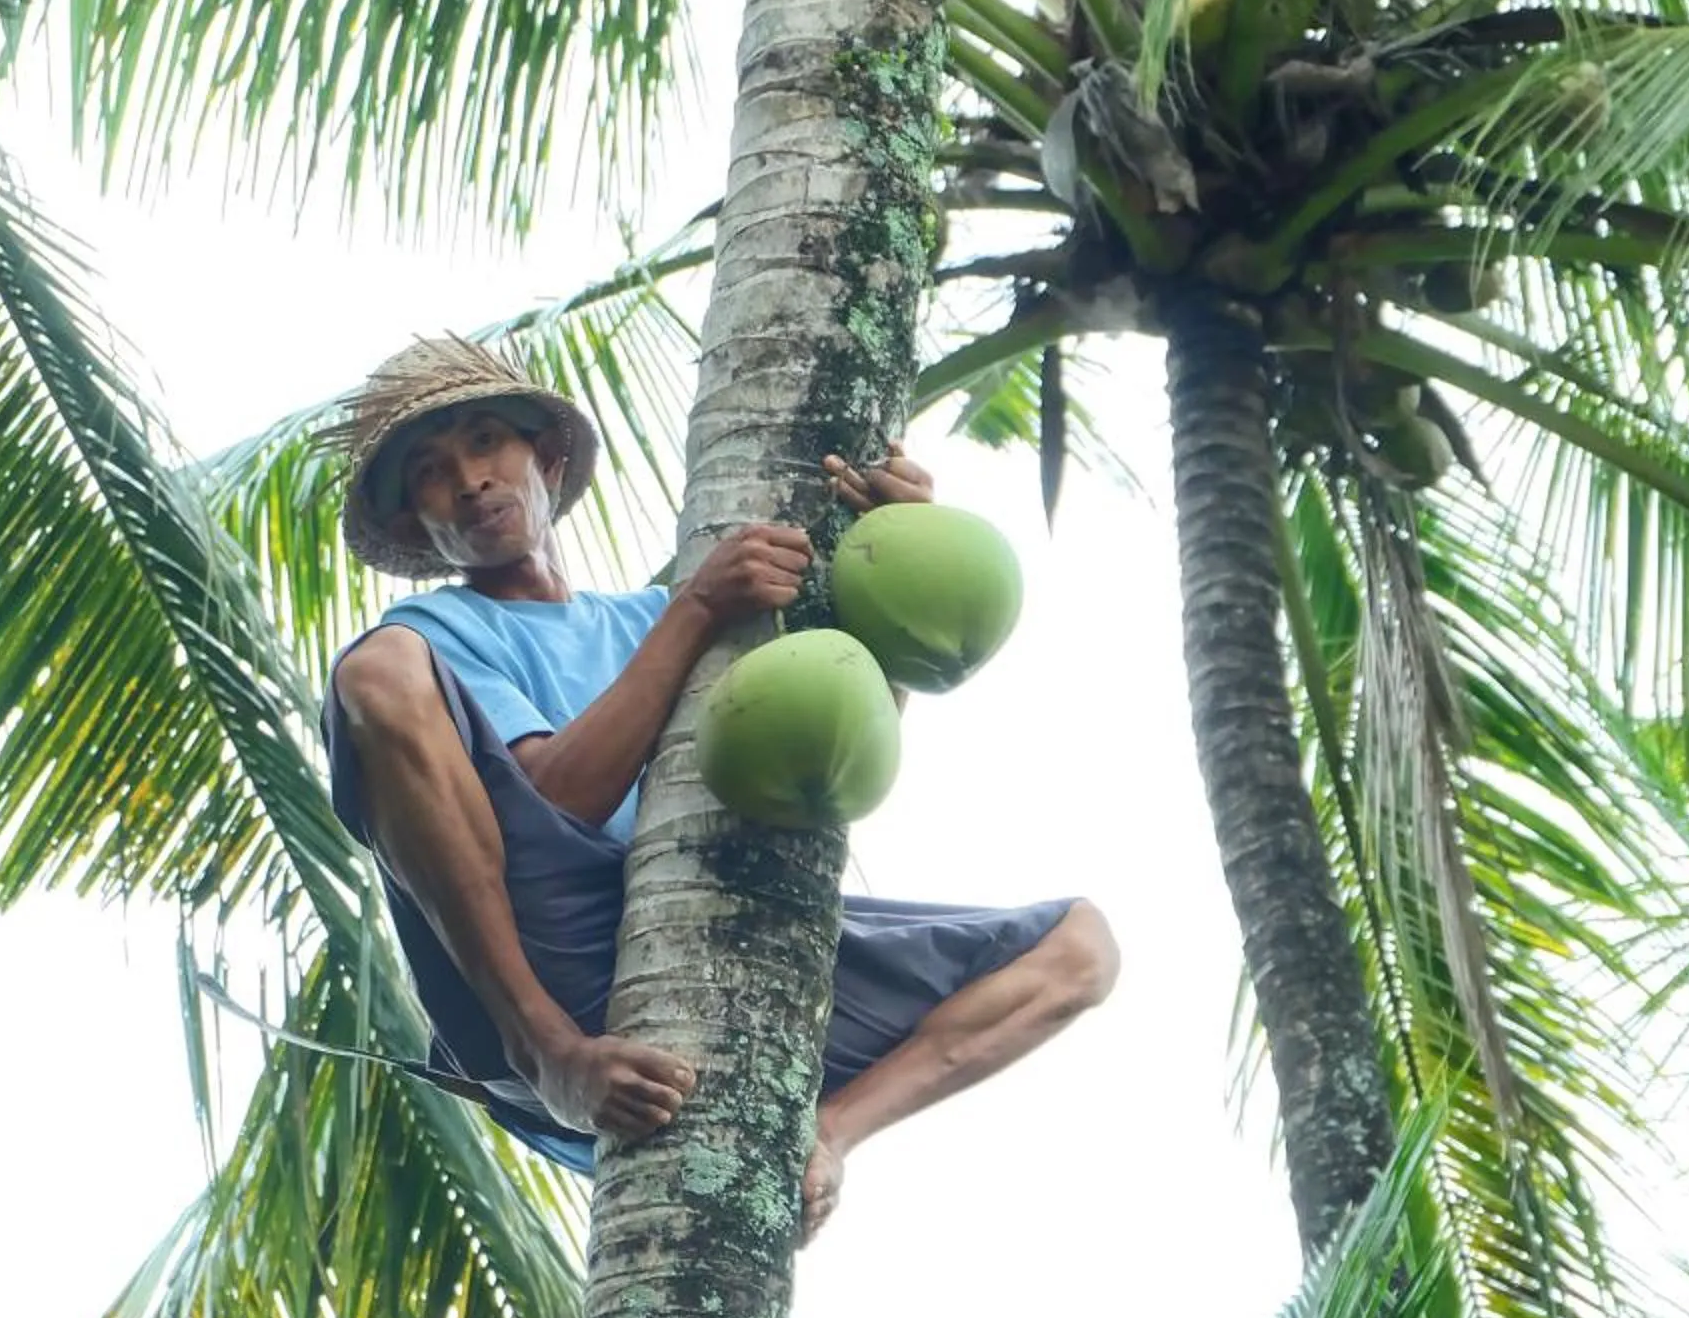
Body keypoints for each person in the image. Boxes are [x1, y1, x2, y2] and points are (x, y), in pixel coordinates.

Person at [321, 335, 1117, 1238]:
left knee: (1080, 951)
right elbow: (558, 797)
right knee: (374, 671)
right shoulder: (439, 629)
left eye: (483, 444)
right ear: (417, 523)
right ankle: (545, 1052)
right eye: (430, 471)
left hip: (691, 922)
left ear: (543, 459)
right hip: (539, 942)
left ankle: (827, 1133)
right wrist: (698, 608)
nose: (467, 480)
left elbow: (836, 737)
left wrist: (900, 552)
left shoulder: (648, 618)